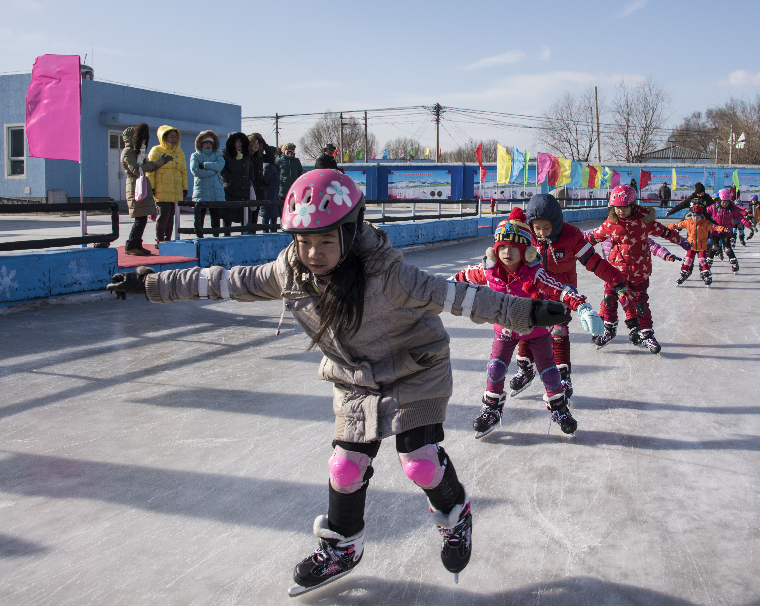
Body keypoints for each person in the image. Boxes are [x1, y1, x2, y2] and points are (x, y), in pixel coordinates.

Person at [105, 169, 573, 595]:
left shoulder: (390, 275)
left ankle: (455, 515)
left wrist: (527, 311)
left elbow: (458, 296)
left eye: (326, 241)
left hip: (415, 367)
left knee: (419, 464)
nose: (313, 254)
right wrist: (152, 283)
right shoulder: (291, 272)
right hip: (355, 378)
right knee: (345, 469)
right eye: (304, 241)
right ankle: (343, 546)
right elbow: (228, 281)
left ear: (351, 231)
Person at [452, 207, 601, 438]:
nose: (507, 252)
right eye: (502, 247)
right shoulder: (488, 270)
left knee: (550, 372)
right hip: (504, 331)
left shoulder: (535, 273)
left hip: (536, 332)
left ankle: (559, 408)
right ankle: (491, 408)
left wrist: (582, 307)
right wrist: (436, 290)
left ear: (526, 251)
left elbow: (560, 289)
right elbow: (459, 278)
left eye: (514, 247)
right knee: (495, 368)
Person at [508, 193, 629, 401]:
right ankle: (526, 368)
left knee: (558, 332)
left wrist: (617, 280)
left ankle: (563, 375)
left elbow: (594, 261)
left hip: (563, 294)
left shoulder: (571, 236)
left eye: (547, 228)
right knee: (526, 329)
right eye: (537, 228)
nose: (542, 233)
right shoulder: (527, 236)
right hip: (533, 293)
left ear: (556, 222)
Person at [587, 184, 683, 354]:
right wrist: (577, 250)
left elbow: (663, 232)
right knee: (609, 299)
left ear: (632, 205)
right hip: (616, 271)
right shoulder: (611, 223)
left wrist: (682, 242)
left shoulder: (644, 222)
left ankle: (647, 334)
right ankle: (609, 329)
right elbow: (594, 237)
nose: (620, 211)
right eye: (616, 208)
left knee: (640, 303)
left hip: (640, 270)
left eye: (624, 208)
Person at [668, 202, 732, 286]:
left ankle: (707, 275)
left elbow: (715, 227)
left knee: (702, 261)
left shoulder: (706, 223)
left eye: (698, 217)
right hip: (690, 246)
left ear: (701, 216)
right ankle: (683, 273)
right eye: (694, 216)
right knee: (687, 261)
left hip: (702, 246)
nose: (695, 219)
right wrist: (666, 228)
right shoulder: (688, 222)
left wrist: (724, 229)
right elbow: (677, 225)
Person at [120, 123, 159, 255]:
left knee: (143, 217)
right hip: (135, 186)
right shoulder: (128, 152)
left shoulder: (138, 152)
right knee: (139, 218)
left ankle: (137, 244)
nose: (143, 140)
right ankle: (130, 245)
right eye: (141, 138)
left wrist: (155, 165)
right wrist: (152, 165)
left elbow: (143, 167)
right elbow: (136, 170)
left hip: (141, 184)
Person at [146, 125, 187, 247]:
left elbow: (183, 171)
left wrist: (184, 187)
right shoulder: (156, 150)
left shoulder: (179, 152)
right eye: (171, 137)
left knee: (171, 217)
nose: (174, 139)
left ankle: (168, 240)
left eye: (176, 136)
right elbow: (150, 171)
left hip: (175, 189)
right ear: (164, 137)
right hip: (161, 189)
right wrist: (151, 187)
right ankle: (159, 241)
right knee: (164, 215)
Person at [706, 189, 754, 273]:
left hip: (726, 232)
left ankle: (734, 263)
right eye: (723, 202)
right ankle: (707, 265)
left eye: (727, 202)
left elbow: (741, 218)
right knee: (713, 248)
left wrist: (749, 225)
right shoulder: (714, 207)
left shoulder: (732, 209)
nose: (725, 204)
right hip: (715, 231)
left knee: (727, 249)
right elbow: (705, 213)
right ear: (720, 200)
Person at [189, 130, 226, 237]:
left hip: (216, 191)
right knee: (200, 215)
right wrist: (213, 171)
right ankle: (199, 236)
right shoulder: (195, 155)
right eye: (206, 143)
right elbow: (195, 170)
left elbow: (220, 166)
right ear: (200, 143)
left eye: (210, 143)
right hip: (201, 191)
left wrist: (204, 165)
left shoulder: (217, 154)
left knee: (216, 216)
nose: (208, 145)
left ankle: (216, 236)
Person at [219, 132, 252, 237]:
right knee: (228, 216)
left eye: (241, 142)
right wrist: (231, 180)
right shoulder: (225, 153)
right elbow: (222, 170)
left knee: (244, 217)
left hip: (244, 190)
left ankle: (244, 237)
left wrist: (247, 181)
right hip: (230, 190)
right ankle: (226, 236)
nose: (239, 144)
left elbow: (250, 170)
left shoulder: (246, 155)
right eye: (237, 141)